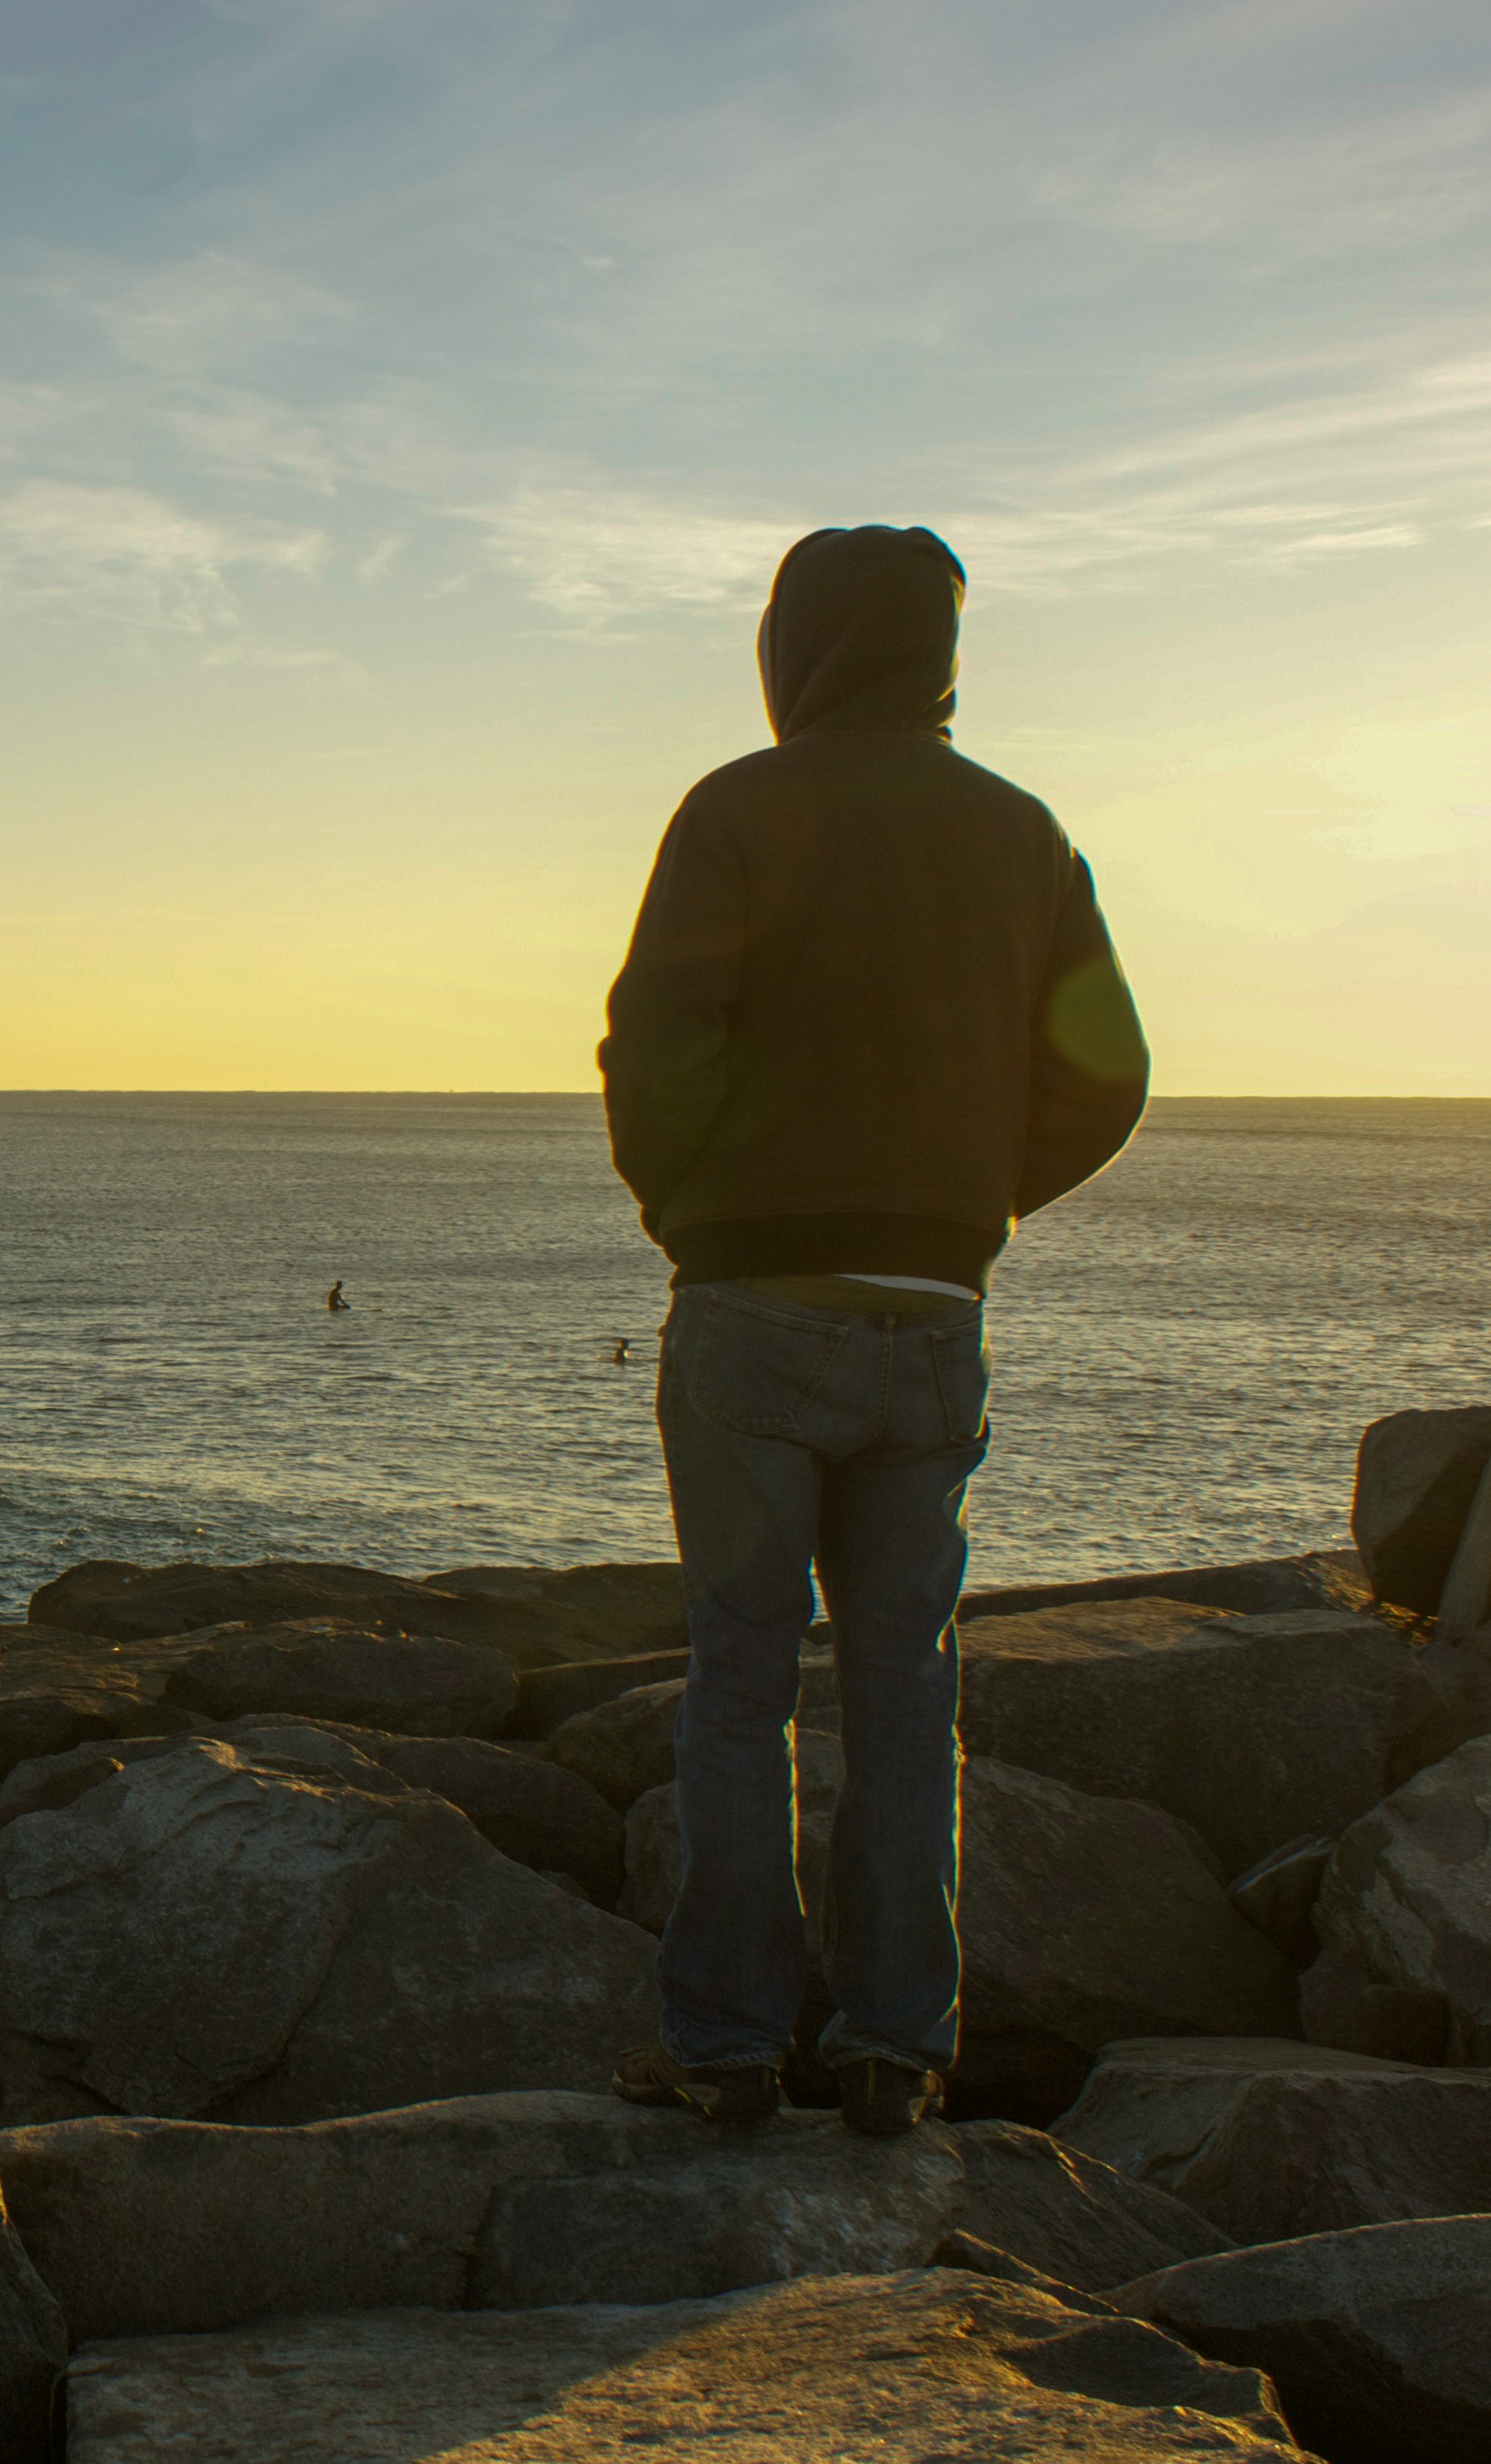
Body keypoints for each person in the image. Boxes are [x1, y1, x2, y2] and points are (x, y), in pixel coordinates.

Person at [596, 525, 1147, 2141]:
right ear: (935, 649)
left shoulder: (740, 809)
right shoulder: (1021, 834)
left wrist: (689, 1210)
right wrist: (971, 1202)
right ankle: (896, 2045)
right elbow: (1104, 1075)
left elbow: (657, 1037)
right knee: (905, 1682)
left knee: (739, 1679)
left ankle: (723, 2045)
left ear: (798, 643)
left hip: (752, 1304)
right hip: (930, 1309)